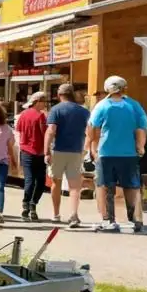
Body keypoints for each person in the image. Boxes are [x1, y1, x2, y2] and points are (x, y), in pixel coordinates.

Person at [88, 75, 147, 234]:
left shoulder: (102, 106)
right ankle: (136, 219)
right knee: (132, 186)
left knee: (104, 186)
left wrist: (92, 149)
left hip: (106, 152)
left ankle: (108, 219)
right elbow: (141, 128)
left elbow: (93, 128)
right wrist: (140, 147)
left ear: (107, 89)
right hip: (128, 154)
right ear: (124, 88)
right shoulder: (134, 106)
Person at [44, 83, 90, 227]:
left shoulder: (55, 110)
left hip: (58, 150)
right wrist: (86, 148)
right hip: (76, 150)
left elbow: (51, 130)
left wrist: (46, 151)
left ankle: (56, 214)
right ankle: (74, 215)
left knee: (56, 182)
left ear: (59, 95)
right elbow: (90, 131)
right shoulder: (83, 111)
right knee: (75, 185)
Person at [15, 90, 48, 221]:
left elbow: (18, 130)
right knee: (40, 181)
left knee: (29, 179)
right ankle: (33, 204)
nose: (45, 104)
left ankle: (25, 205)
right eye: (43, 101)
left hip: (25, 151)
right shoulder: (41, 116)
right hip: (38, 152)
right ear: (37, 102)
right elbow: (45, 133)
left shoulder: (22, 115)